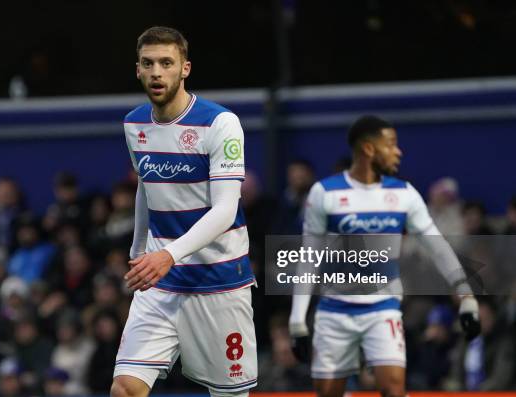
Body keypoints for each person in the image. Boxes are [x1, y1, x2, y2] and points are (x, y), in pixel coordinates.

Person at [288, 115, 481, 397]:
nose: (398, 151)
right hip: (333, 312)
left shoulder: (404, 194)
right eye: (391, 144)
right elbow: (309, 258)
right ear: (368, 149)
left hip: (383, 308)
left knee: (394, 390)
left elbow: (437, 247)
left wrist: (466, 295)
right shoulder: (324, 193)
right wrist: (297, 319)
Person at [111, 26, 257, 397]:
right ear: (138, 70)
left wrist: (167, 255)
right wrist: (139, 252)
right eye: (149, 64)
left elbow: (226, 210)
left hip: (218, 282)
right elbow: (147, 185)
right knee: (125, 389)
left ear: (185, 69)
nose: (157, 72)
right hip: (160, 284)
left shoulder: (220, 123)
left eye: (166, 63)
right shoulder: (134, 124)